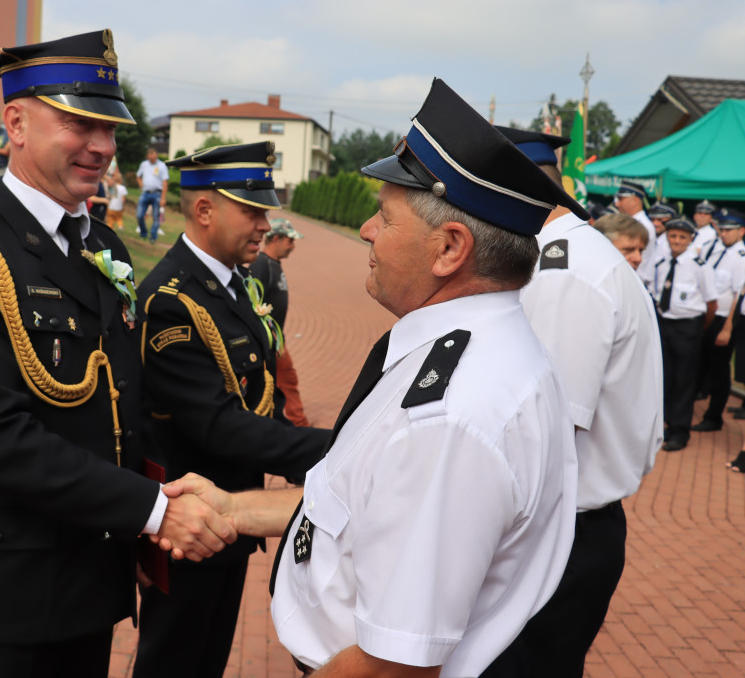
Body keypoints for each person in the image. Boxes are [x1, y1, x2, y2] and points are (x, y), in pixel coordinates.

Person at [155, 79, 581, 678]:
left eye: (385, 215)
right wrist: (233, 508)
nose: (365, 230)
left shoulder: (449, 418)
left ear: (450, 248)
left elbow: (391, 666)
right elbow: (358, 499)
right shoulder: (459, 351)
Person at [0, 30, 235, 678]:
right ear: (16, 122)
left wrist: (188, 484)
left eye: (110, 129)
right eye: (79, 123)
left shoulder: (104, 247)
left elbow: (125, 401)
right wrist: (159, 510)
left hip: (92, 586)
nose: (104, 147)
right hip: (5, 597)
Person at [133, 142, 330, 678]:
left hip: (232, 517)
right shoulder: (171, 298)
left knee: (208, 658)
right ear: (203, 211)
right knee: (174, 662)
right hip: (187, 524)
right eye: (252, 211)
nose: (265, 225)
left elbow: (258, 397)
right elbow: (216, 424)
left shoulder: (234, 284)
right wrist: (337, 452)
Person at [486, 127, 664, 676]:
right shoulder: (566, 258)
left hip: (559, 534)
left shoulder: (564, 275)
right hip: (561, 529)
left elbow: (547, 434)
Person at [652, 217, 717, 452]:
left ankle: (681, 431)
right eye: (672, 236)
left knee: (684, 380)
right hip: (665, 324)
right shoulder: (661, 261)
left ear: (690, 239)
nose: (676, 241)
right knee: (666, 376)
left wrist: (699, 328)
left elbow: (712, 304)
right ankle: (668, 423)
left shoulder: (700, 265)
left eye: (682, 237)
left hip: (688, 327)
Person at [249, 217, 312, 426]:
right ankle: (299, 423)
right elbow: (253, 303)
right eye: (290, 240)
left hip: (277, 340)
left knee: (281, 382)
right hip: (271, 341)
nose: (293, 246)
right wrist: (270, 339)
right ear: (276, 238)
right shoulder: (261, 265)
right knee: (287, 381)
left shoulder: (273, 264)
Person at [693, 212, 745, 433]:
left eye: (728, 230)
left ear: (741, 231)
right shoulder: (716, 249)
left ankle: (714, 417)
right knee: (703, 364)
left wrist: (727, 328)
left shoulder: (741, 256)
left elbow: (738, 294)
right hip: (707, 315)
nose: (723, 234)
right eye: (721, 229)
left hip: (724, 319)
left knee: (719, 370)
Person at [613, 181, 657, 289]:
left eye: (621, 199)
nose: (617, 204)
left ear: (634, 201)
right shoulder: (634, 222)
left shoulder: (642, 225)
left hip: (636, 283)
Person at [135, 147, 168, 241]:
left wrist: (163, 198)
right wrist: (141, 184)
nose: (152, 159)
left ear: (156, 155)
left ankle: (153, 236)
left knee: (156, 217)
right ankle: (143, 233)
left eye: (153, 157)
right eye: (150, 158)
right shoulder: (144, 164)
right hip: (145, 193)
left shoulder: (162, 165)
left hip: (157, 194)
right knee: (139, 215)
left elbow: (165, 182)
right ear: (147, 157)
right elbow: (138, 176)